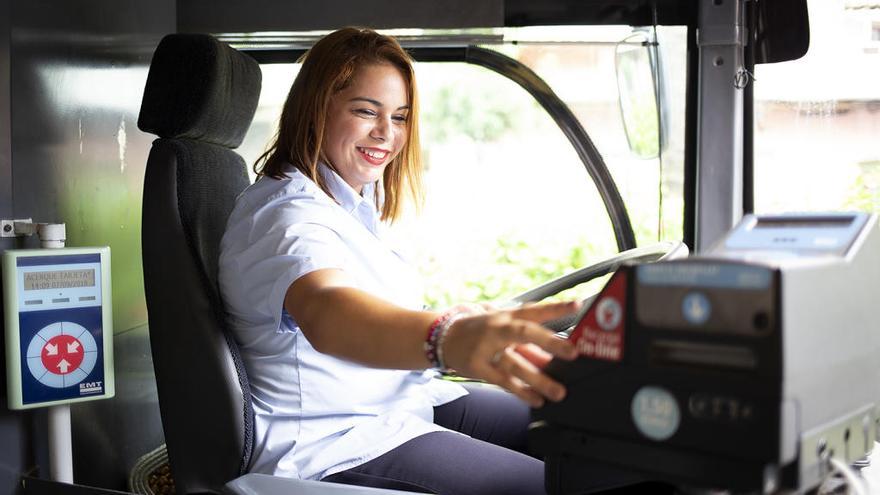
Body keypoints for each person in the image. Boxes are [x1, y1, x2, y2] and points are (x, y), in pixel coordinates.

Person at [219, 27, 635, 495]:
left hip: (402, 400)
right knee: (558, 486)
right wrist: (444, 338)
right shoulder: (285, 216)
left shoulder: (351, 202)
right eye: (365, 111)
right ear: (315, 109)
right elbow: (328, 311)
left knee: (593, 427)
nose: (386, 134)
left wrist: (471, 324)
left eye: (399, 117)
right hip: (336, 441)